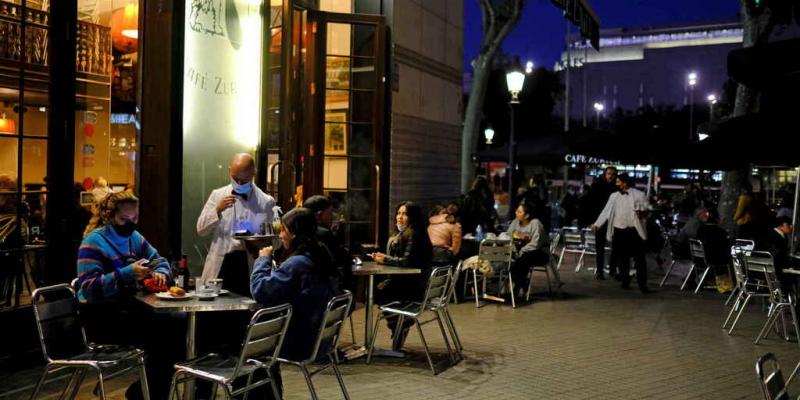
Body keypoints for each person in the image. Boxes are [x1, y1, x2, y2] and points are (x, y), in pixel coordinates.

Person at [76, 191, 181, 400]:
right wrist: (126, 274)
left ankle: (147, 390)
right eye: (124, 220)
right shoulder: (94, 242)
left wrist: (160, 272)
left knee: (179, 328)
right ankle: (145, 392)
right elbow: (88, 287)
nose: (130, 224)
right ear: (110, 216)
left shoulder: (134, 237)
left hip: (129, 311)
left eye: (134, 219)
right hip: (101, 316)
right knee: (166, 336)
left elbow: (159, 260)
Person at [251, 208, 340, 399]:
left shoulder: (299, 263)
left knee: (249, 349)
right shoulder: (322, 256)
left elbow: (260, 291)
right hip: (320, 340)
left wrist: (263, 260)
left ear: (293, 232)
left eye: (283, 230)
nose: (281, 235)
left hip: (298, 342)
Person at [197, 153, 275, 296]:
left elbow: (271, 239)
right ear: (229, 171)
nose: (238, 184)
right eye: (235, 179)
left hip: (247, 263)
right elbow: (201, 229)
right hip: (221, 262)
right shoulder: (217, 195)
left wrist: (256, 240)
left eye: (243, 180)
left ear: (253, 173)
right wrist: (217, 210)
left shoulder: (265, 202)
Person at [372, 201, 432, 350]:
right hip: (408, 282)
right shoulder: (402, 232)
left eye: (404, 214)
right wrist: (384, 257)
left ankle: (401, 324)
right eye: (398, 213)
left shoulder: (414, 233)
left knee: (379, 293)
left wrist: (385, 259)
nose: (400, 217)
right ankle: (400, 325)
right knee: (379, 291)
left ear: (413, 216)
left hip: (411, 287)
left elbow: (407, 261)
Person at [592, 173, 652, 293]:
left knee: (639, 259)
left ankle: (642, 284)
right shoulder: (614, 196)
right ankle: (625, 281)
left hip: (634, 231)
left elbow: (648, 210)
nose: (616, 183)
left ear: (625, 182)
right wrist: (597, 224)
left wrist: (644, 213)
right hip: (619, 230)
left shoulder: (639, 194)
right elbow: (606, 211)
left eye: (618, 181)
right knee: (623, 258)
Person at [506, 202, 555, 295]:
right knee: (512, 260)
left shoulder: (535, 223)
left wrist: (521, 251)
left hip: (540, 253)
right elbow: (508, 235)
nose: (516, 213)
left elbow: (535, 244)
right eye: (516, 211)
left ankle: (518, 286)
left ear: (527, 215)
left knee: (524, 259)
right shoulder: (515, 222)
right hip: (520, 252)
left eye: (519, 212)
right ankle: (522, 283)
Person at [303, 194, 351, 290]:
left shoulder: (301, 231)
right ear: (319, 215)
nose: (332, 217)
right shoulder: (324, 234)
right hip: (324, 290)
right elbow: (343, 257)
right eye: (329, 214)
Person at [586, 166, 618, 280]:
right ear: (605, 174)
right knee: (600, 247)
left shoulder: (617, 188)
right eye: (609, 173)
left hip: (614, 221)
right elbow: (590, 204)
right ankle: (600, 271)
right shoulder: (597, 185)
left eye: (612, 174)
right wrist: (593, 222)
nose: (610, 176)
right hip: (599, 221)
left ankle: (612, 269)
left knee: (616, 247)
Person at [756, 216, 795, 289]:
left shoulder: (770, 234)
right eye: (788, 224)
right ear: (781, 226)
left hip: (762, 270)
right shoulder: (776, 238)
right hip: (774, 272)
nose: (791, 226)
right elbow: (779, 257)